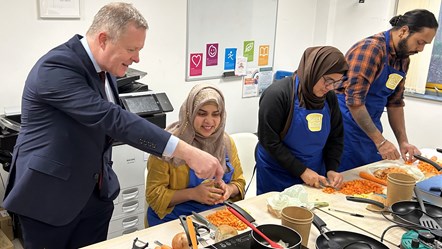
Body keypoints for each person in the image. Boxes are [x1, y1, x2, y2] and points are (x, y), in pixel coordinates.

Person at [2, 3, 224, 248]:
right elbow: (112, 118)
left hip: (96, 196)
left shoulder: (106, 69)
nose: (137, 58)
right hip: (50, 200)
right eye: (131, 49)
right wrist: (188, 151)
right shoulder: (56, 67)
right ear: (104, 39)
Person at [335, 9, 438, 171]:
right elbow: (354, 102)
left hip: (371, 126)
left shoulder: (403, 59)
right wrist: (381, 141)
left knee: (370, 176)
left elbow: (395, 103)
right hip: (346, 126)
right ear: (404, 31)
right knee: (346, 178)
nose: (421, 49)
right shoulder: (371, 50)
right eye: (420, 42)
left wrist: (402, 141)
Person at [146, 84, 246, 226]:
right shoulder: (168, 145)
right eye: (202, 113)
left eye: (216, 114)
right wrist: (193, 193)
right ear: (190, 112)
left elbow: (239, 183)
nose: (209, 121)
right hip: (173, 221)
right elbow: (154, 195)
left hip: (214, 218)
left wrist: (228, 190)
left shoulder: (225, 142)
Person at [256, 46, 348, 195]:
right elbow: (269, 141)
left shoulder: (329, 97)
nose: (330, 87)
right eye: (328, 80)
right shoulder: (278, 95)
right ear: (314, 70)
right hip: (277, 172)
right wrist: (302, 171)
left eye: (336, 82)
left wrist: (332, 168)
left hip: (314, 172)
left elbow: (336, 136)